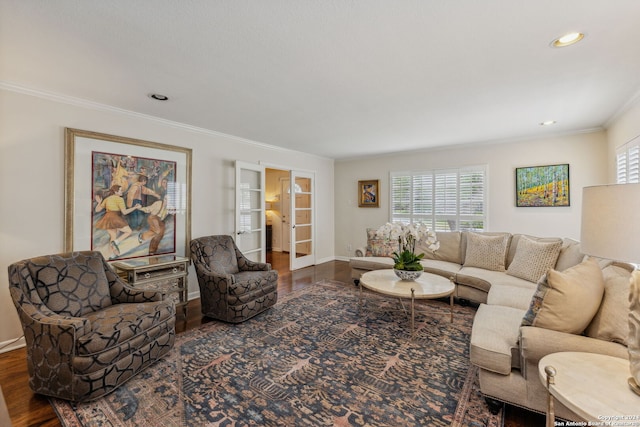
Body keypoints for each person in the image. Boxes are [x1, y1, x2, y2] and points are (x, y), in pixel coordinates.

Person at [94, 184, 141, 257]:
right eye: (120, 190)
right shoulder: (119, 199)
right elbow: (124, 212)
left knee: (113, 237)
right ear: (115, 191)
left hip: (107, 218)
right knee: (129, 231)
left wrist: (99, 202)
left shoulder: (107, 199)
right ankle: (116, 242)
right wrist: (135, 207)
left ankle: (111, 255)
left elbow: (97, 210)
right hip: (115, 218)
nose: (122, 192)